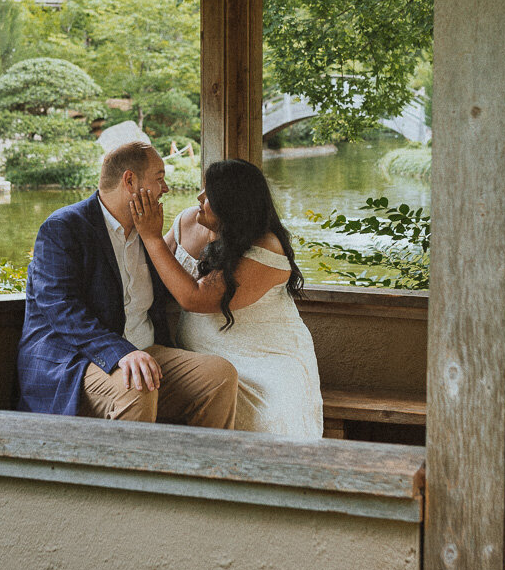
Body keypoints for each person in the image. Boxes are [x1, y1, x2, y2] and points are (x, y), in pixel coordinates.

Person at [16, 141, 238, 427]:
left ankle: (199, 470)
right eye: (159, 179)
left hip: (145, 351)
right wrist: (121, 352)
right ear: (129, 181)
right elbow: (60, 308)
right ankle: (133, 473)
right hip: (75, 360)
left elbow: (179, 288)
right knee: (137, 386)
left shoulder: (149, 230)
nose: (166, 189)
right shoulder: (64, 227)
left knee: (219, 375)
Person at [129, 158, 323, 440]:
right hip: (203, 363)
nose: (199, 198)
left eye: (209, 195)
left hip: (264, 360)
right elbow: (152, 272)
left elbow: (195, 298)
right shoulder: (187, 221)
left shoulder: (266, 247)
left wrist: (152, 237)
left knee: (263, 418)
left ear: (232, 205)